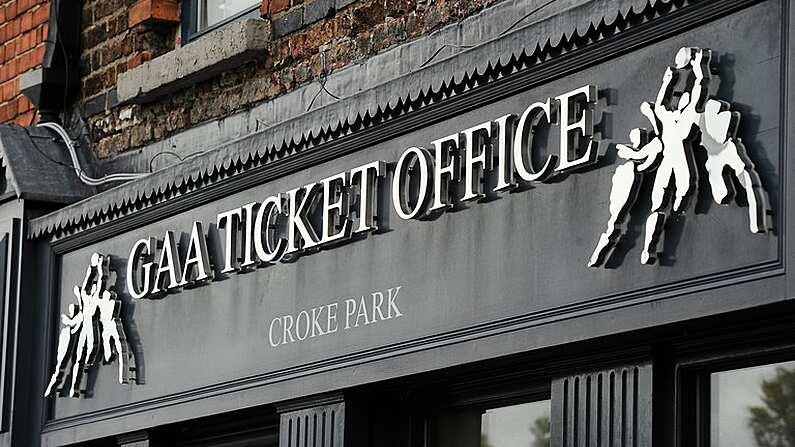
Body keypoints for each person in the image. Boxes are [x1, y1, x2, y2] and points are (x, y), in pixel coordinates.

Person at [640, 47, 711, 264]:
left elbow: (700, 89)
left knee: (682, 193)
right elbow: (662, 104)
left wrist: (700, 69)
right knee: (660, 204)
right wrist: (669, 81)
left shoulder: (687, 114)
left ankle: (676, 215)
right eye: (679, 98)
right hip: (671, 160)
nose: (680, 100)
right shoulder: (670, 116)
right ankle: (649, 248)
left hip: (678, 158)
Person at [43, 303, 83, 397]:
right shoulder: (66, 329)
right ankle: (52, 387)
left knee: (62, 367)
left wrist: (69, 321)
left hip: (69, 347)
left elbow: (75, 323)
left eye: (72, 311)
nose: (70, 313)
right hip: (64, 348)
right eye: (70, 311)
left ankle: (52, 387)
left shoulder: (73, 323)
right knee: (60, 367)